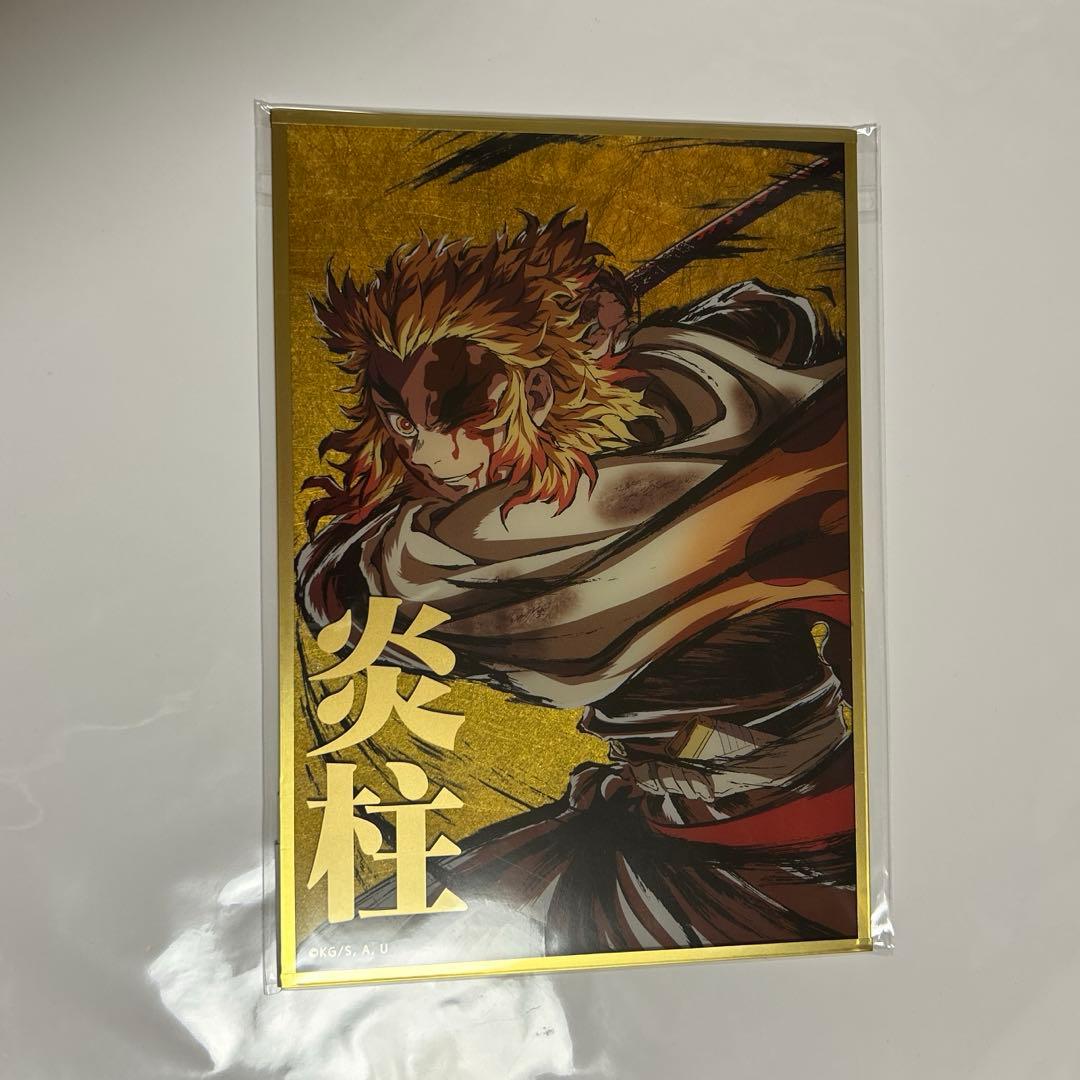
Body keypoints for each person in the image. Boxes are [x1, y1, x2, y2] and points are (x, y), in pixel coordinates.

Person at [297, 210, 858, 955]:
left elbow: (349, 599)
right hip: (661, 819)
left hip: (782, 844)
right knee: (367, 944)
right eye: (406, 428)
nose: (434, 457)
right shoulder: (686, 393)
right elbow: (767, 322)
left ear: (535, 391)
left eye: (465, 420)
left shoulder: (546, 521)